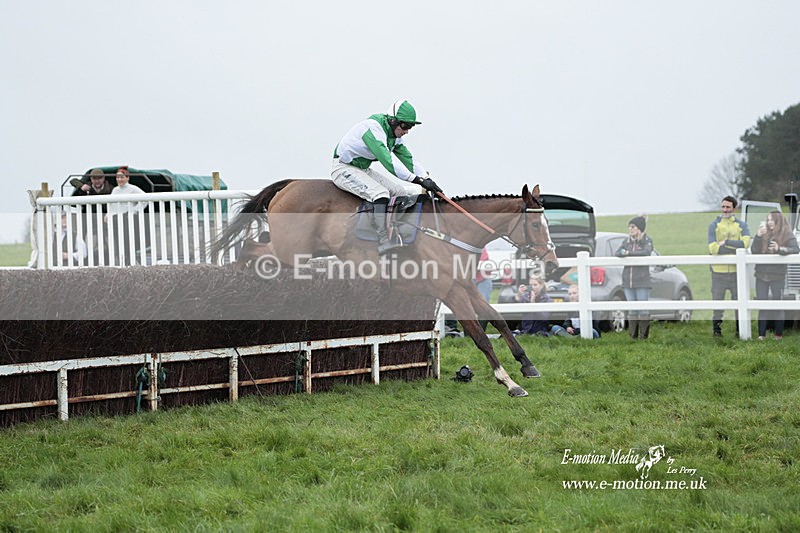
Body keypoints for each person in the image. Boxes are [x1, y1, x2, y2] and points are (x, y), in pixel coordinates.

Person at [331, 99, 442, 254]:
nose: (407, 130)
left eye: (410, 126)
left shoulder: (394, 135)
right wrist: (418, 181)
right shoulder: (373, 129)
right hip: (343, 169)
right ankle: (383, 239)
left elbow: (408, 159)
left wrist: (427, 179)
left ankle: (398, 232)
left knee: (400, 192)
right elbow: (388, 163)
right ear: (393, 121)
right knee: (381, 194)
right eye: (405, 126)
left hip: (362, 169)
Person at [750, 210, 799, 340]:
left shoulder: (787, 234)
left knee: (778, 305)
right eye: (768, 220)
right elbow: (754, 251)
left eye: (772, 220)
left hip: (778, 276)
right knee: (762, 305)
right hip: (761, 275)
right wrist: (758, 236)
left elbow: (795, 249)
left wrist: (779, 249)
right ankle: (761, 336)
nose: (769, 222)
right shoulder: (764, 233)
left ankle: (778, 335)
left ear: (778, 220)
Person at [707, 196, 751, 337]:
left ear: (734, 209)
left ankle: (740, 331)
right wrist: (734, 248)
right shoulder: (713, 225)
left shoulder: (742, 225)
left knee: (739, 302)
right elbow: (713, 248)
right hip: (718, 271)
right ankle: (717, 331)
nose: (725, 210)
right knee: (717, 303)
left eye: (728, 207)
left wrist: (725, 242)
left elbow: (745, 244)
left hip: (736, 271)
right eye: (723, 207)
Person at [615, 216, 654, 339]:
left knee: (643, 310)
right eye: (629, 227)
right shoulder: (626, 241)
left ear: (640, 229)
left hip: (642, 281)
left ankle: (643, 337)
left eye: (633, 227)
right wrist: (622, 253)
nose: (630, 229)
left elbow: (646, 252)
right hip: (628, 281)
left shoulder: (647, 240)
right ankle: (633, 337)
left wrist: (628, 254)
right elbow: (617, 252)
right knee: (632, 310)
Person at [106, 166, 145, 265]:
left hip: (128, 218)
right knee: (117, 241)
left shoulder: (133, 189)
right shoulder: (115, 190)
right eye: (118, 177)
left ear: (127, 178)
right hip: (116, 218)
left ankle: (130, 262)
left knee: (129, 241)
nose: (119, 179)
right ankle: (120, 262)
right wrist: (108, 214)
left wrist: (135, 210)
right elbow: (111, 204)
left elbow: (145, 199)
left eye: (122, 177)